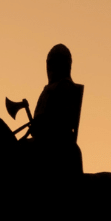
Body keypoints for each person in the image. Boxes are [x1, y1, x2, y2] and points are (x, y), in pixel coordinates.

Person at [28, 44, 84, 179]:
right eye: (48, 63)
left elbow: (66, 118)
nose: (49, 67)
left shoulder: (65, 86)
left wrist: (42, 124)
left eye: (53, 63)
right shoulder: (49, 88)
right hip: (42, 140)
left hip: (56, 144)